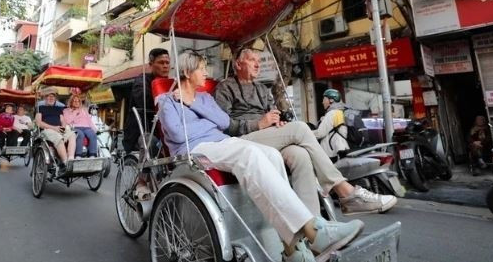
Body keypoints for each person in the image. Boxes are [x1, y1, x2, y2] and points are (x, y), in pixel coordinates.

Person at [159, 51, 364, 262]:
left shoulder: (203, 98)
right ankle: (314, 231)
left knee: (271, 155)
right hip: (196, 148)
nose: (206, 72)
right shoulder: (167, 101)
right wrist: (206, 123)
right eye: (201, 68)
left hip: (220, 141)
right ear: (186, 71)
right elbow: (177, 133)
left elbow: (223, 122)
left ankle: (291, 248)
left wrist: (193, 105)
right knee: (249, 152)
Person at [215, 48, 396, 216]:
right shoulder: (225, 87)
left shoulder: (262, 89)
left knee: (300, 154)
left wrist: (278, 120)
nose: (257, 64)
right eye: (251, 60)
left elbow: (273, 112)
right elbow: (223, 124)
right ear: (238, 64)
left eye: (258, 60)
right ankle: (345, 191)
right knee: (301, 127)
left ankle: (314, 227)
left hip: (267, 136)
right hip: (241, 139)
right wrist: (258, 124)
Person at [123, 48, 170, 152]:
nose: (165, 66)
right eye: (161, 62)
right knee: (151, 143)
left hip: (165, 130)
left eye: (167, 62)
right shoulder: (142, 81)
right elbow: (144, 100)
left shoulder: (171, 83)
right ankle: (145, 169)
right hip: (142, 132)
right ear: (151, 64)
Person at [35, 88, 76, 171]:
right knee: (58, 138)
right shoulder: (40, 108)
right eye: (49, 96)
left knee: (72, 134)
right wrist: (54, 128)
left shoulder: (58, 108)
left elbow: (63, 120)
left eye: (53, 97)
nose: (51, 98)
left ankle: (71, 159)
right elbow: (39, 123)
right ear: (45, 98)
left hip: (59, 129)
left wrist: (63, 127)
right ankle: (66, 163)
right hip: (47, 130)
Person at [314, 89, 350, 159]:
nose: (322, 102)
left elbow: (320, 133)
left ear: (331, 100)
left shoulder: (332, 113)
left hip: (332, 151)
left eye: (324, 99)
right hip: (341, 147)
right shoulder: (340, 111)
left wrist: (306, 133)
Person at [63, 93, 98, 157]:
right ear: (71, 102)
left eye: (78, 101)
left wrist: (94, 129)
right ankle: (78, 155)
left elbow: (89, 121)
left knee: (93, 134)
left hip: (86, 127)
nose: (77, 102)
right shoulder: (66, 110)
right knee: (80, 134)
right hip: (76, 127)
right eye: (75, 101)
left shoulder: (84, 109)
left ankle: (92, 154)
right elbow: (67, 121)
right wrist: (75, 112)